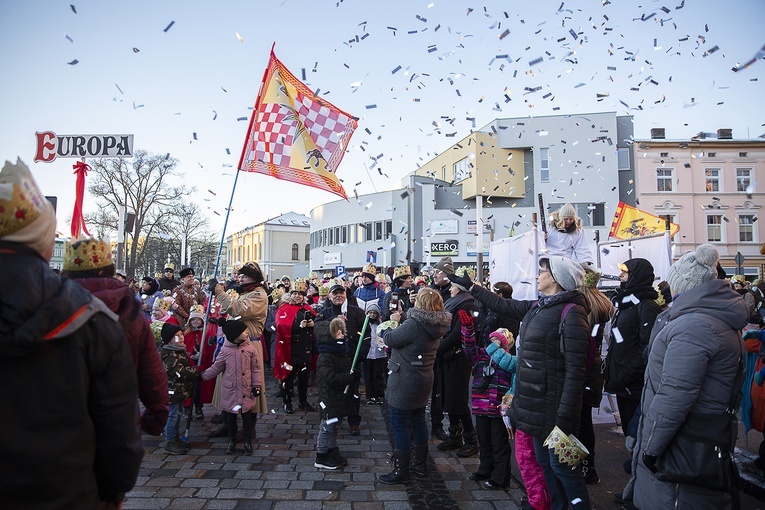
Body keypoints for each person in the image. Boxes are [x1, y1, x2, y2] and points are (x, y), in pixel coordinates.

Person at [0, 158, 143, 508]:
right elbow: (117, 426)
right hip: (66, 493)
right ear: (44, 239)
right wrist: (114, 491)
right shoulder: (92, 317)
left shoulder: (92, 314)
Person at [468, 255, 592, 509]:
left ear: (556, 278)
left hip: (554, 408)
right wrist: (471, 287)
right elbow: (504, 306)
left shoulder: (572, 314)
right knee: (545, 464)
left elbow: (575, 371)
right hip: (534, 406)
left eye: (542, 271)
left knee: (563, 469)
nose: (537, 275)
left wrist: (566, 416)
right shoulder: (540, 306)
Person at [634, 244, 747, 509]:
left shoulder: (694, 326)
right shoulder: (705, 319)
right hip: (697, 440)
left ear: (684, 285)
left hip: (683, 446)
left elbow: (675, 395)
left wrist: (650, 448)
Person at [62, 237, 169, 437]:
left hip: (57, 423)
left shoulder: (45, 303)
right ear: (107, 269)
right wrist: (156, 416)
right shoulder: (128, 307)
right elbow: (151, 371)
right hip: (117, 421)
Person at [379, 287, 452, 484]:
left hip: (405, 379)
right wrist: (402, 319)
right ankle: (420, 464)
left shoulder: (414, 324)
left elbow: (390, 339)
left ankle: (401, 470)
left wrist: (391, 323)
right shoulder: (436, 324)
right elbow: (414, 335)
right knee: (418, 418)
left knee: (399, 422)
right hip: (424, 377)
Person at [603, 258, 661, 442]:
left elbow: (648, 346)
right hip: (623, 383)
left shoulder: (646, 306)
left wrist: (626, 374)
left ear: (636, 276)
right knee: (630, 432)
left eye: (625, 272)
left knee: (638, 436)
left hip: (634, 385)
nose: (620, 276)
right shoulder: (626, 303)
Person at [460, 312, 517, 490]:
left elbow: (514, 385)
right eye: (493, 340)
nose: (495, 344)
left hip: (499, 408)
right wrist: (467, 329)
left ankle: (500, 477)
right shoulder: (481, 355)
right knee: (484, 440)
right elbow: (469, 348)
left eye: (499, 341)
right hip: (481, 405)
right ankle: (485, 469)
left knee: (499, 444)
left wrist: (508, 402)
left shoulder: (509, 360)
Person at [210, 261, 269, 419]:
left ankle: (249, 427)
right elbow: (230, 314)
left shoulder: (258, 295)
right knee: (229, 384)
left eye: (245, 276)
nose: (240, 279)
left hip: (248, 344)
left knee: (247, 385)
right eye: (240, 275)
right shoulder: (243, 292)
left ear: (254, 278)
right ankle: (227, 421)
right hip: (231, 344)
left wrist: (219, 292)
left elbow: (239, 309)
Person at [201, 319, 263, 456]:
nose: (247, 332)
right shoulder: (225, 350)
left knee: (246, 416)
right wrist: (203, 376)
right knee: (231, 417)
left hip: (246, 390)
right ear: (235, 335)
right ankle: (231, 439)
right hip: (230, 390)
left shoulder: (250, 349)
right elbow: (217, 367)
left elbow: (256, 369)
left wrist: (257, 385)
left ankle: (247, 440)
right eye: (244, 331)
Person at [435, 268, 480, 458]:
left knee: (458, 400)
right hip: (447, 356)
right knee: (449, 398)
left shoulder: (466, 304)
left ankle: (471, 440)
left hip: (458, 357)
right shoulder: (454, 302)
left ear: (459, 289)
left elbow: (456, 335)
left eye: (453, 286)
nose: (451, 289)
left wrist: (438, 347)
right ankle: (455, 435)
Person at [314, 279, 368, 435]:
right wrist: (334, 321)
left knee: (353, 392)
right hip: (333, 360)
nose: (338, 296)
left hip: (352, 358)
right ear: (330, 297)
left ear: (346, 294)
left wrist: (361, 354)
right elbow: (318, 329)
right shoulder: (325, 313)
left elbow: (365, 334)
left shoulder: (356, 311)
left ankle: (353, 421)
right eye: (335, 293)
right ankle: (334, 419)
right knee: (334, 392)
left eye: (341, 293)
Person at [577, 264, 614, 485]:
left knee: (576, 421)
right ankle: (588, 468)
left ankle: (577, 466)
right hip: (594, 370)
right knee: (585, 421)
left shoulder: (580, 305)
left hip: (580, 369)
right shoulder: (604, 304)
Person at [314, 317, 356, 470]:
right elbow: (330, 377)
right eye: (338, 333)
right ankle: (321, 455)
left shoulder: (341, 351)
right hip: (330, 398)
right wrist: (347, 378)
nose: (342, 335)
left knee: (336, 425)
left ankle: (332, 450)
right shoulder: (326, 355)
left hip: (339, 397)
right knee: (327, 426)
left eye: (342, 331)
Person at [274, 278, 318, 413]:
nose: (297, 296)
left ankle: (303, 401)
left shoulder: (307, 308)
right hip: (289, 348)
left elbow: (316, 322)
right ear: (290, 294)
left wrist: (312, 325)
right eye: (295, 293)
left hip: (304, 348)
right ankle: (287, 401)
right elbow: (281, 325)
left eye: (300, 293)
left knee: (304, 377)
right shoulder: (284, 309)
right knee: (288, 376)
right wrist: (298, 326)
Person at [160, 322, 199, 454]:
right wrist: (193, 371)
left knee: (178, 415)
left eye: (181, 335)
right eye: (176, 336)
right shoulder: (169, 354)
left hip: (179, 391)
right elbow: (178, 372)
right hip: (172, 391)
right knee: (173, 416)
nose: (181, 338)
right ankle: (170, 441)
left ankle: (175, 438)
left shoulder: (179, 350)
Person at [428, 256, 454, 440]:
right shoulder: (430, 291)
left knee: (447, 390)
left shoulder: (453, 294)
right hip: (431, 346)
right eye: (434, 272)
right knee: (433, 388)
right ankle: (435, 424)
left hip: (448, 349)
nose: (434, 275)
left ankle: (451, 428)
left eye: (438, 271)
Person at [183, 304, 217, 420]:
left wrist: (202, 355)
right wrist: (190, 355)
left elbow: (210, 347)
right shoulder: (186, 334)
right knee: (188, 387)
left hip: (202, 365)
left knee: (199, 388)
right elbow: (184, 348)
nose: (196, 322)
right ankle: (187, 408)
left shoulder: (207, 333)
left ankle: (198, 407)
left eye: (198, 319)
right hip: (190, 365)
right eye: (194, 320)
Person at [363, 303, 387, 405]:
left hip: (379, 353)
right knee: (368, 376)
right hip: (367, 354)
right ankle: (370, 395)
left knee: (378, 376)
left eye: (374, 313)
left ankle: (379, 395)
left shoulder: (380, 325)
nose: (372, 315)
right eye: (370, 313)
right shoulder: (364, 324)